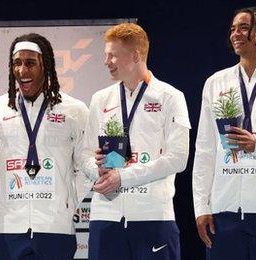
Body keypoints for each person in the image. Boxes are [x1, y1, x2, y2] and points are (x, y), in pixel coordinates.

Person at [81, 22, 190, 260]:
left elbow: (178, 158)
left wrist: (124, 176)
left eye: (113, 55)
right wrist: (96, 169)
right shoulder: (100, 99)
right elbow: (85, 155)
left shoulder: (171, 97)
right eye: (106, 55)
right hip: (106, 216)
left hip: (153, 217)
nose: (106, 61)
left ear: (136, 55)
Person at [193, 6, 256, 259]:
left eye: (244, 28)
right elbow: (204, 149)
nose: (235, 34)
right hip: (223, 213)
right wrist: (201, 206)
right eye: (233, 29)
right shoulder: (216, 82)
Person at [0, 33, 90, 259]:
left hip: (55, 227)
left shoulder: (74, 110)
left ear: (46, 65)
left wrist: (67, 202)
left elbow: (85, 167)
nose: (22, 71)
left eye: (30, 63)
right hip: (8, 227)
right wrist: (2, 201)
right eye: (17, 63)